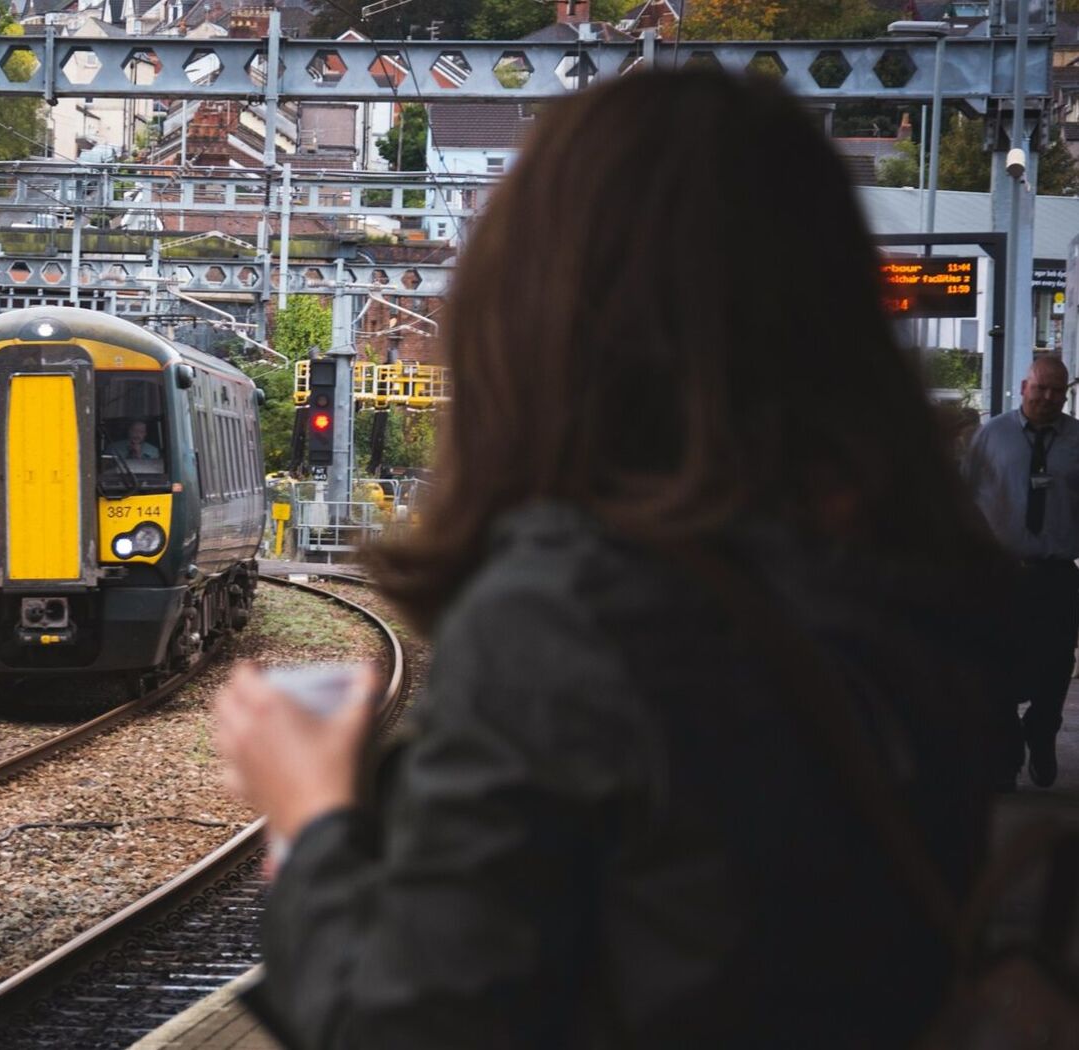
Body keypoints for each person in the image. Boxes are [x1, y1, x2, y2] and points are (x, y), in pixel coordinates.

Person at [215, 70, 1007, 1047]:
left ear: (547, 319)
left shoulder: (571, 619)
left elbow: (404, 1024)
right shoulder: (931, 588)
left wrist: (310, 819)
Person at [964, 354, 1079, 789]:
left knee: (1055, 666)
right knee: (996, 666)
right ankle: (1007, 752)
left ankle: (1042, 730)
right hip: (1001, 573)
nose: (1049, 397)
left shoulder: (1075, 441)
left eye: (1058, 391)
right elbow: (966, 498)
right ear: (1023, 385)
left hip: (1056, 574)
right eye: (1041, 388)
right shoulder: (991, 436)